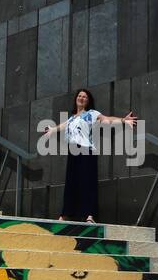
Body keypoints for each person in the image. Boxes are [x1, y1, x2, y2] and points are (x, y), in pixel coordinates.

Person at [51, 88, 137, 222]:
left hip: (87, 151)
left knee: (87, 183)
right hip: (73, 151)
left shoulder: (91, 113)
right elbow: (63, 125)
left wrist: (123, 120)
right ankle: (66, 214)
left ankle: (89, 215)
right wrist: (52, 129)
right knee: (71, 183)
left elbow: (107, 120)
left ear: (88, 101)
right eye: (79, 96)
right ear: (76, 99)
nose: (81, 98)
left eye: (84, 97)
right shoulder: (72, 118)